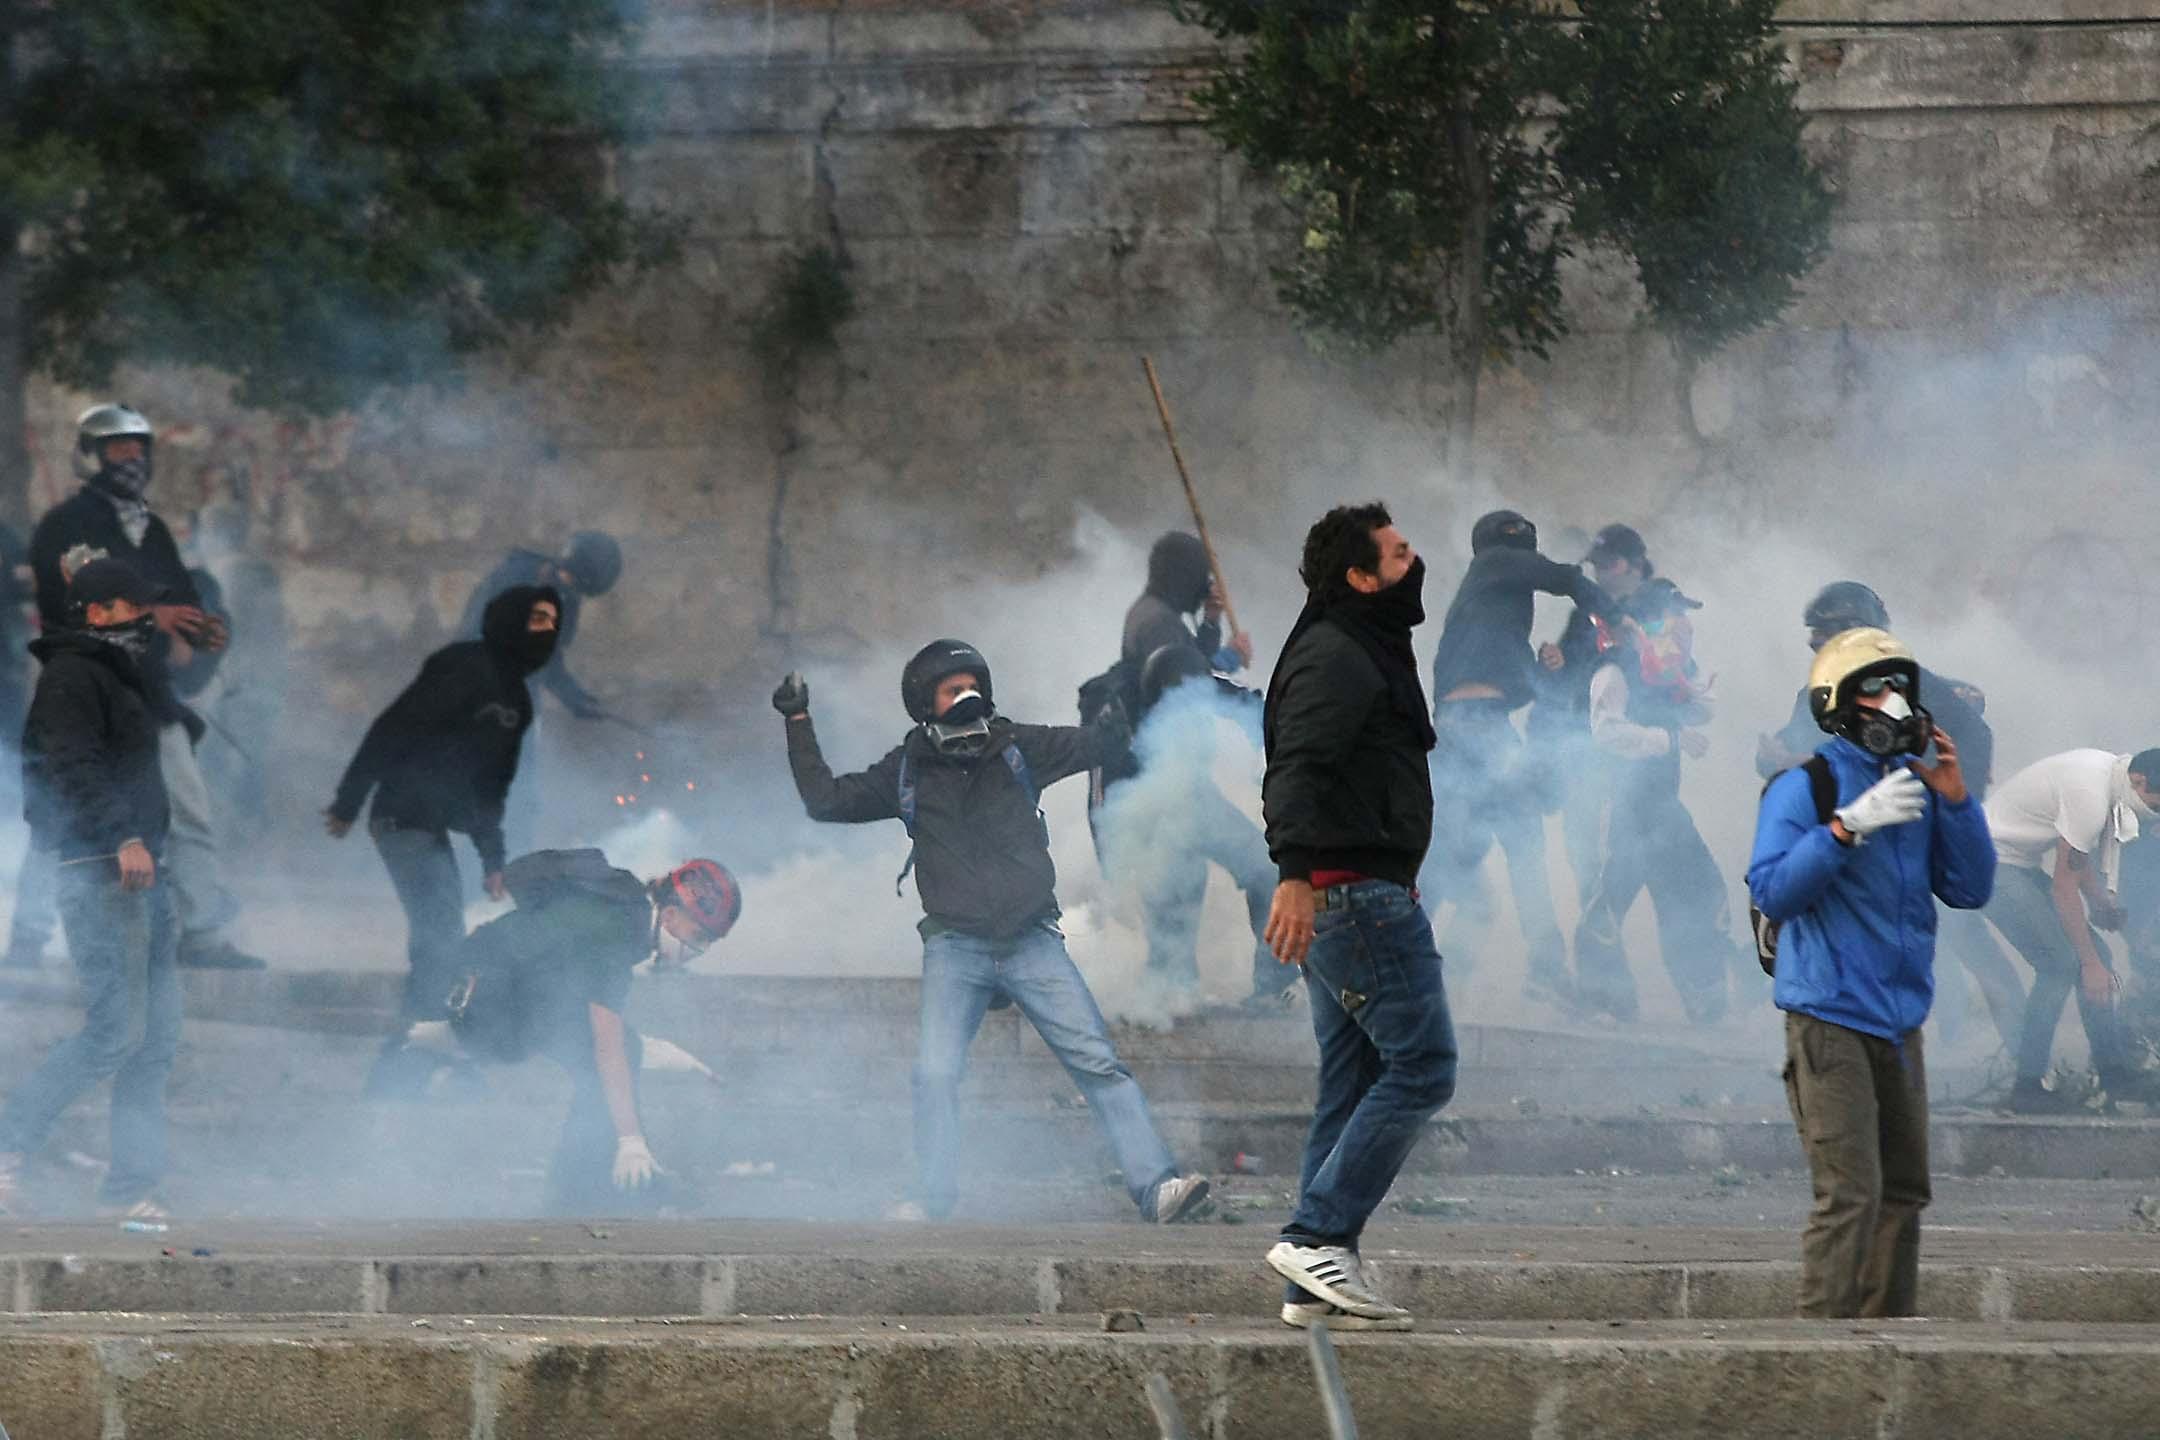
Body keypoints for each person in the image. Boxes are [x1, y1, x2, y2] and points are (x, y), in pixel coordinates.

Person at [776, 640, 1211, 1225]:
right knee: (934, 1073)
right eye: (951, 691)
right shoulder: (905, 768)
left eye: (971, 685)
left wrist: (1119, 713)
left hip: (1032, 940)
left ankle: (1157, 1188)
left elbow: (1101, 748)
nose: (966, 698)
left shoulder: (1018, 745)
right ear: (923, 703)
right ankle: (933, 1200)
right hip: (957, 947)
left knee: (1099, 1064)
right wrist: (797, 721)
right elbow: (825, 801)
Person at [1747, 627, 1994, 1319]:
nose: (1892, 704)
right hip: (1829, 1016)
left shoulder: (1911, 788)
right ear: (1839, 704)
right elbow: (1773, 890)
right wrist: (1843, 830)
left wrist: (1954, 800)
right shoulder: (1807, 786)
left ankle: (1885, 1347)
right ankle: (1821, 1356)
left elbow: (1971, 887)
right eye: (1874, 689)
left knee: (1905, 1191)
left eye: (1899, 690)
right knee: (1850, 1192)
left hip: (1899, 1022)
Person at [1260, 502, 1456, 1332]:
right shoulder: (1338, 655)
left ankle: (1314, 1280)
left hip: (1354, 895)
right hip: (1351, 898)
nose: (1417, 563)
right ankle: (1317, 1234)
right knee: (1423, 1067)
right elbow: (1296, 767)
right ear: (1359, 576)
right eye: (1400, 553)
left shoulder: (1361, 644)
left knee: (1351, 1083)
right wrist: (1294, 875)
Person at [26, 404, 261, 970]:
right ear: (92, 455)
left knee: (187, 810)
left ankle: (201, 934)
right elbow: (71, 608)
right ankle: (27, 937)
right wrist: (153, 617)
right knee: (63, 807)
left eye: (138, 449)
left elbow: (183, 598)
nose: (131, 460)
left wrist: (201, 631)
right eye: (117, 450)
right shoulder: (66, 528)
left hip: (149, 694)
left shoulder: (150, 529)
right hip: (82, 689)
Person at [0, 559, 192, 1219]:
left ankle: (132, 1186)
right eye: (136, 609)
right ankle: (7, 1144)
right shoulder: (72, 676)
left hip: (142, 871)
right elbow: (69, 765)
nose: (149, 619)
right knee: (116, 1031)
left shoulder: (120, 674)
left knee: (155, 1037)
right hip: (101, 869)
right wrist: (121, 838)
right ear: (100, 612)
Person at [1757, 581, 2021, 1055]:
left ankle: (2007, 1048)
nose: (1817, 646)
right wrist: (1775, 760)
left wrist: (1954, 806)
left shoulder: (1913, 686)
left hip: (1906, 835)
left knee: (1958, 935)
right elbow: (1787, 751)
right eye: (1813, 639)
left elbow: (1971, 737)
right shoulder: (1819, 691)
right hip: (1839, 848)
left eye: (1825, 636)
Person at [325, 585, 562, 1093]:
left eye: (552, 622)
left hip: (431, 829)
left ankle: (424, 1058)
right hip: (402, 817)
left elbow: (491, 787)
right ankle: (404, 1067)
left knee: (444, 942)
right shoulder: (462, 666)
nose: (546, 631)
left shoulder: (517, 700)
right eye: (536, 619)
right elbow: (392, 727)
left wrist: (492, 859)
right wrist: (350, 800)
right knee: (439, 945)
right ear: (510, 619)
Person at [410, 848, 740, 1213]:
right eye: (700, 935)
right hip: (487, 996)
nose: (700, 949)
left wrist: (663, 1054)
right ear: (672, 914)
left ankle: (579, 1193)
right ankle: (587, 1195)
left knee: (615, 1049)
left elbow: (586, 1022)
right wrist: (631, 1141)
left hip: (497, 988)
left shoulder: (626, 907)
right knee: (612, 1058)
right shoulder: (622, 930)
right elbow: (605, 1043)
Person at [1423, 509, 1610, 1006]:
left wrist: (1548, 667)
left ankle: (1424, 971)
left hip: (1459, 732)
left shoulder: (1487, 609)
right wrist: (1609, 608)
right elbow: (1566, 577)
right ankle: (1545, 971)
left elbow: (1526, 686)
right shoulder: (1492, 567)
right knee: (1524, 846)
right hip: (1479, 730)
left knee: (1448, 860)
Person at [1571, 579, 1743, 1025]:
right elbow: (1605, 730)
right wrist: (1669, 739)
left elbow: (1701, 709)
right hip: (1624, 806)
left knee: (1698, 892)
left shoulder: (1664, 672)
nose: (1684, 625)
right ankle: (1602, 996)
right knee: (1608, 902)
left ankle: (1703, 995)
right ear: (1650, 622)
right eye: (1674, 615)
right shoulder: (1616, 668)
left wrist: (1687, 680)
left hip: (1664, 808)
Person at [1096, 644, 1279, 1004]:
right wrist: (1114, 868)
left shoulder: (1199, 681)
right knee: (1174, 895)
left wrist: (1271, 749)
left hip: (1197, 795)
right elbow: (1103, 799)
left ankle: (1275, 984)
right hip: (1151, 808)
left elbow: (1259, 708)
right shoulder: (1116, 715)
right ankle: (1170, 991)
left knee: (1265, 871)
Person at [1980, 747, 2160, 1112]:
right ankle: (2027, 1087)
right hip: (1991, 866)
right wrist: (2089, 962)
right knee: (2061, 965)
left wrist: (2099, 903)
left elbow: (2076, 862)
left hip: (2017, 863)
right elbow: (2064, 887)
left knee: (2098, 958)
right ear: (2139, 781)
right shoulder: (2091, 796)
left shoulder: (2109, 778)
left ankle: (2116, 1075)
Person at [458, 532, 622, 848]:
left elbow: (548, 659)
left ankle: (511, 876)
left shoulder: (563, 594)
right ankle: (471, 883)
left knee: (520, 797)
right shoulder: (515, 582)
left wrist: (576, 698)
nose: (570, 586)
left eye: (576, 585)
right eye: (570, 578)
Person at [1527, 523, 1646, 907]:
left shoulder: (1654, 608)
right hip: (1579, 752)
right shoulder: (1584, 616)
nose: (1599, 572)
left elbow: (1654, 677)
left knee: (1633, 854)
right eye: (1596, 564)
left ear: (1634, 564)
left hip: (1631, 755)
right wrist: (1555, 664)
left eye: (1608, 563)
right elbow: (1561, 686)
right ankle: (1595, 942)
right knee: (1584, 857)